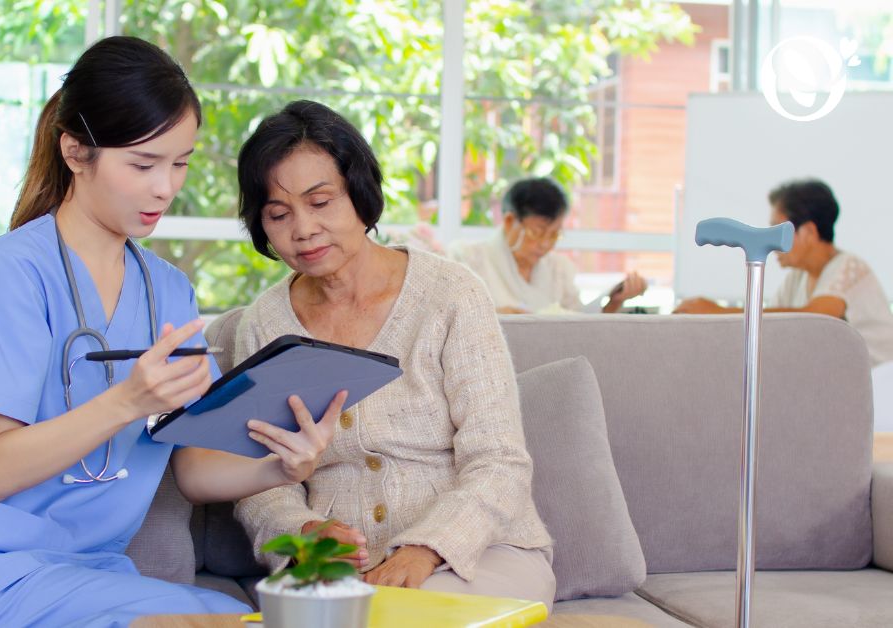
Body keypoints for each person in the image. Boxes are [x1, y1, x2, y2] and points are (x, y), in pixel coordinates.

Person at [0, 38, 347, 628]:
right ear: (76, 152)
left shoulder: (168, 291)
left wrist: (282, 468)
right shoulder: (11, 273)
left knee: (242, 619)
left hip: (82, 573)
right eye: (143, 164)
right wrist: (127, 401)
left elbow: (192, 469)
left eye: (180, 163)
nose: (165, 188)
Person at [230, 100, 556, 609]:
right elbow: (258, 480)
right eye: (278, 214)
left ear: (360, 195)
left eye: (321, 202)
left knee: (404, 616)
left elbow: (499, 460)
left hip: (479, 553)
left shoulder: (451, 294)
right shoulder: (264, 325)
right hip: (336, 571)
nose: (303, 229)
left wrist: (427, 548)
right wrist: (304, 533)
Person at [675, 178, 893, 368]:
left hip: (880, 382)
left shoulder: (849, 267)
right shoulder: (797, 278)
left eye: (777, 230)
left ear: (808, 231)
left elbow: (817, 319)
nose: (771, 242)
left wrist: (718, 311)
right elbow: (774, 326)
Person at [449, 177, 647, 314]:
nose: (544, 244)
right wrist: (495, 316)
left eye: (554, 235)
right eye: (536, 232)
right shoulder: (468, 260)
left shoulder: (559, 270)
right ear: (509, 222)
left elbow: (580, 327)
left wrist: (614, 302)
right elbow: (451, 319)